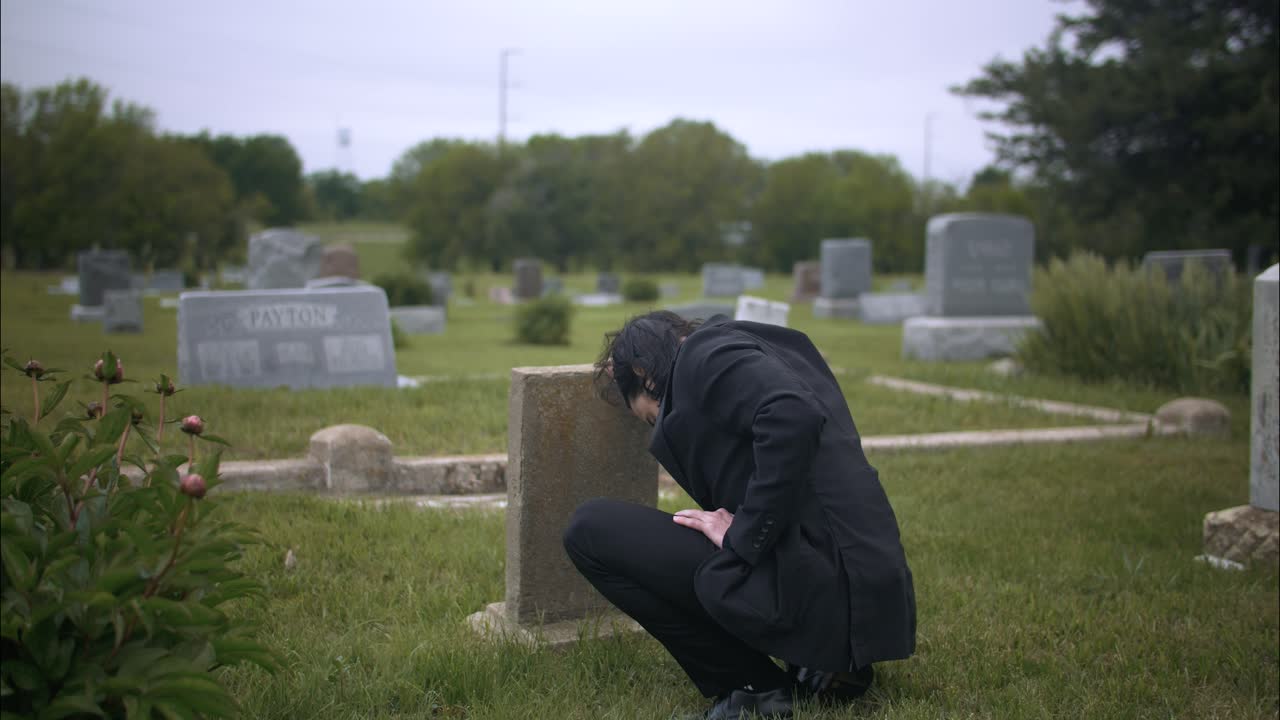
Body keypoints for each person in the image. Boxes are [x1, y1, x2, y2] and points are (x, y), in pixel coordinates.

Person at [562, 311, 916, 719]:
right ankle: (824, 663)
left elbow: (791, 415)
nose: (657, 425)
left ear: (644, 372)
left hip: (823, 587)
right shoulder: (760, 344)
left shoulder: (703, 355)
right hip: (857, 598)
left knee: (589, 530)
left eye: (651, 417)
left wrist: (744, 534)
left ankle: (757, 688)